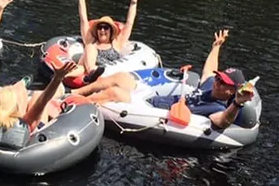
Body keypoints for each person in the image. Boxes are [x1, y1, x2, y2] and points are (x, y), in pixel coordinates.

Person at [74, 29, 256, 130]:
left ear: (232, 91)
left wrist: (238, 104)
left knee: (115, 92)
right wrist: (216, 47)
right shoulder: (210, 84)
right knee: (121, 78)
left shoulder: (217, 108)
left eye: (223, 83)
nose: (217, 82)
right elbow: (209, 70)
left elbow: (222, 121)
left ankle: (73, 107)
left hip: (153, 109)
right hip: (151, 96)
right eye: (219, 79)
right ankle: (74, 93)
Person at [0, 24, 75, 134]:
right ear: (14, 110)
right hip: (34, 126)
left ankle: (22, 83)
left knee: (18, 88)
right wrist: (57, 79)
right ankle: (24, 84)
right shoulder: (25, 125)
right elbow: (44, 100)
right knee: (38, 96)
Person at [63, 0, 148, 88]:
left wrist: (134, 1)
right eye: (100, 27)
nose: (102, 30)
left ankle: (86, 74)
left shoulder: (117, 43)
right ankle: (68, 74)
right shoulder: (92, 41)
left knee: (85, 60)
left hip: (107, 74)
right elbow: (83, 19)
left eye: (105, 27)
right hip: (88, 71)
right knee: (89, 47)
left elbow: (130, 22)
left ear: (111, 30)